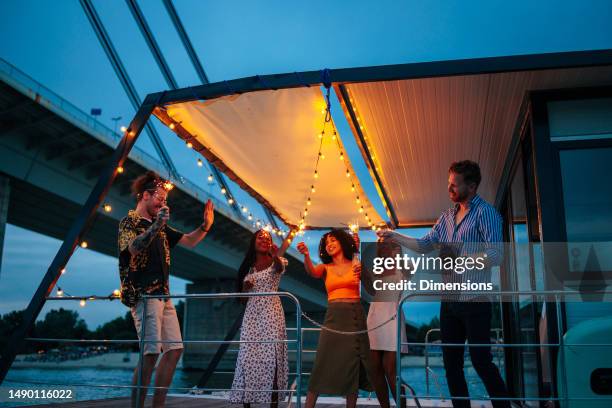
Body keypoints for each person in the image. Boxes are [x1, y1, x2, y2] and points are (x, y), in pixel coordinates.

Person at [377, 160, 510, 408]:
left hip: (475, 300)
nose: (448, 188)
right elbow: (425, 244)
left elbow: (496, 255)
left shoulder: (487, 213)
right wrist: (394, 235)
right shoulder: (446, 216)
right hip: (449, 301)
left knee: (482, 362)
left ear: (471, 186)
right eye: (448, 183)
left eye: (454, 184)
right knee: (451, 365)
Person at [118, 171, 214, 408]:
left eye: (165, 199)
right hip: (144, 295)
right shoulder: (129, 222)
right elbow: (133, 248)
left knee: (174, 350)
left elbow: (190, 241)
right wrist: (156, 226)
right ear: (146, 196)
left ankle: (158, 406)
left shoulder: (161, 227)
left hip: (164, 295)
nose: (164, 203)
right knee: (150, 353)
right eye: (159, 198)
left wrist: (205, 226)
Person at [296, 229, 372, 408]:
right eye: (326, 243)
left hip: (354, 316)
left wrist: (362, 264)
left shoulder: (355, 262)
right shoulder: (325, 267)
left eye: (333, 240)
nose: (329, 244)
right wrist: (306, 254)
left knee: (353, 363)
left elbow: (370, 287)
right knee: (322, 361)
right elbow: (312, 272)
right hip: (333, 316)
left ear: (342, 242)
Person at [229, 229, 291, 407]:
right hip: (252, 317)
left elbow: (280, 269)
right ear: (253, 242)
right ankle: (247, 403)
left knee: (272, 358)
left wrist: (274, 253)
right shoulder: (247, 267)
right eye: (260, 237)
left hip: (272, 313)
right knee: (248, 357)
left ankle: (272, 403)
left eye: (267, 238)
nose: (264, 239)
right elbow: (241, 299)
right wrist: (245, 288)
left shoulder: (276, 261)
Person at [366, 239, 408, 408]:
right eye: (380, 244)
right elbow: (371, 291)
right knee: (375, 369)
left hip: (392, 317)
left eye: (386, 243)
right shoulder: (377, 268)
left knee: (390, 370)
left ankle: (401, 406)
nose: (382, 245)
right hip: (375, 316)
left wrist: (397, 255)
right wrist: (366, 276)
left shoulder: (402, 266)